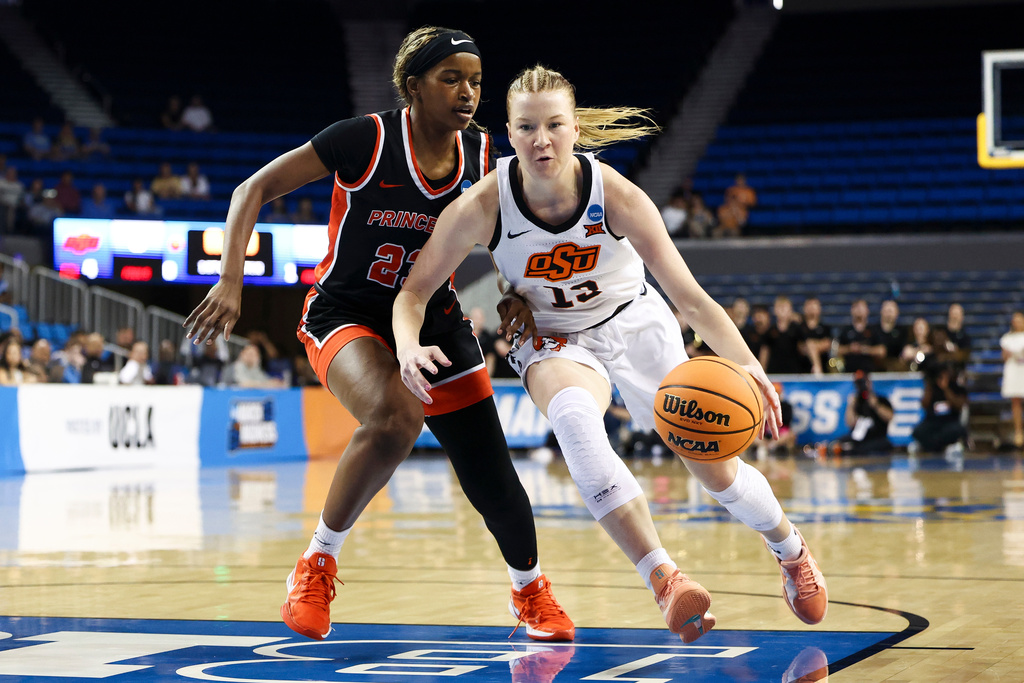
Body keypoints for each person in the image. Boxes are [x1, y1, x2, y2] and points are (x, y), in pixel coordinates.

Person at [393, 65, 828, 644]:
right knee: (574, 419)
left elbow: (692, 301)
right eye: (527, 127)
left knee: (715, 470)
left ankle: (790, 549)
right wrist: (405, 343)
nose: (541, 139)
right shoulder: (484, 204)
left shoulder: (616, 195)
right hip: (553, 336)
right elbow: (413, 292)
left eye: (554, 125)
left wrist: (750, 365)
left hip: (634, 323)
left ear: (575, 129)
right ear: (510, 133)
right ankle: (665, 579)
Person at [182, 27, 573, 644]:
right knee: (395, 419)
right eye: (451, 78)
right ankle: (315, 564)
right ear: (412, 86)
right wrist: (231, 280)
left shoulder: (483, 155)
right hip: (347, 312)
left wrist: (512, 292)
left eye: (474, 80)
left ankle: (530, 592)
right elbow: (250, 189)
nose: (468, 92)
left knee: (492, 475)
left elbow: (507, 235)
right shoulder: (365, 138)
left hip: (434, 320)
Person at [910, 360, 968, 455]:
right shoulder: (931, 388)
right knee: (918, 431)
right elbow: (924, 405)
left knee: (957, 430)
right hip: (933, 421)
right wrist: (928, 384)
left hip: (949, 421)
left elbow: (959, 405)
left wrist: (945, 388)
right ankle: (935, 446)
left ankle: (944, 446)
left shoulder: (956, 387)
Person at [835, 371, 893, 455]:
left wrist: (876, 405)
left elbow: (890, 417)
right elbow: (850, 423)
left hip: (876, 437)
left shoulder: (880, 399)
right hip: (859, 438)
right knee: (838, 443)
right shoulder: (856, 401)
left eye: (863, 382)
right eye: (858, 383)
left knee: (883, 444)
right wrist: (850, 406)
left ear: (869, 383)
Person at [835, 298, 882, 374]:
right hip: (849, 372)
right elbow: (837, 350)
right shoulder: (846, 330)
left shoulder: (874, 330)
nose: (859, 310)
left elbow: (882, 350)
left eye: (862, 307)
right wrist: (850, 348)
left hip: (870, 372)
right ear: (852, 310)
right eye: (856, 307)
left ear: (867, 310)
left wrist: (865, 349)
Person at [762, 296, 806, 375]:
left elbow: (804, 348)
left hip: (793, 372)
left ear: (790, 310)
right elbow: (765, 352)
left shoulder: (797, 329)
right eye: (779, 307)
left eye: (785, 307)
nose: (782, 310)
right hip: (774, 373)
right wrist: (763, 370)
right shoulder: (770, 330)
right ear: (775, 310)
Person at [1000, 311, 1024, 449]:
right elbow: (1004, 356)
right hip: (1014, 369)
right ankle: (1018, 431)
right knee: (1015, 401)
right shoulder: (1007, 338)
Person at [799, 296, 831, 375]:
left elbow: (827, 344)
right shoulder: (799, 327)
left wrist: (812, 346)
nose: (812, 308)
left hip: (824, 370)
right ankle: (817, 369)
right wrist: (815, 345)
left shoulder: (824, 328)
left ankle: (817, 369)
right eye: (809, 306)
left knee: (810, 344)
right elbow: (799, 347)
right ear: (804, 308)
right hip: (802, 371)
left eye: (814, 306)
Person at [872, 299, 906, 371]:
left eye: (891, 311)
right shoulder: (873, 330)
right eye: (887, 311)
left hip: (897, 368)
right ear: (881, 311)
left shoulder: (902, 331)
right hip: (876, 368)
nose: (889, 314)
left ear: (897, 313)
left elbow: (904, 350)